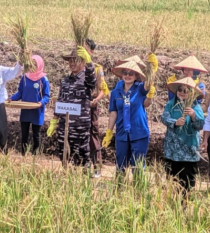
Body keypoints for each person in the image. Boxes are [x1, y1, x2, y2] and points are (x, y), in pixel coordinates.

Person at [102, 60, 156, 176]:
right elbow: (113, 113)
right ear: (121, 75)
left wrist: (152, 68)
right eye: (125, 73)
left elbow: (149, 83)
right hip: (122, 133)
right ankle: (120, 189)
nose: (127, 76)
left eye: (131, 73)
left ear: (136, 76)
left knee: (138, 167)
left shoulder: (140, 88)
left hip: (139, 132)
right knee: (120, 165)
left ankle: (138, 191)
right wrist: (109, 132)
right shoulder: (116, 92)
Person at [47, 46, 96, 168]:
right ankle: (67, 180)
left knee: (82, 157)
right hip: (64, 125)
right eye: (70, 61)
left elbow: (93, 80)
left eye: (75, 60)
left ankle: (84, 181)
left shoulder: (86, 80)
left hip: (80, 126)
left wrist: (89, 62)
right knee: (64, 154)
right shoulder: (65, 81)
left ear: (82, 62)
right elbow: (60, 101)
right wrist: (54, 120)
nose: (72, 63)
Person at [162, 77, 205, 195]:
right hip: (172, 150)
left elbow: (200, 125)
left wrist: (193, 116)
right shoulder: (171, 104)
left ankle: (186, 204)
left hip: (188, 152)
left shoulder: (195, 107)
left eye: (186, 91)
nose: (182, 92)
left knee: (187, 181)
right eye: (180, 90)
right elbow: (164, 118)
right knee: (172, 179)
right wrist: (175, 123)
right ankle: (171, 203)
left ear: (191, 93)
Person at [9, 55, 50, 155]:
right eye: (31, 64)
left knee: (36, 134)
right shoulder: (24, 77)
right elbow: (20, 93)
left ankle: (35, 155)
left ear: (39, 65)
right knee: (24, 134)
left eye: (35, 64)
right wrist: (11, 99)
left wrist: (41, 102)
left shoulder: (43, 79)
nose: (33, 66)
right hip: (25, 110)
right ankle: (23, 154)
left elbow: (47, 96)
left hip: (37, 111)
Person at [86, 38, 110, 177]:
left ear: (91, 51)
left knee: (93, 133)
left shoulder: (97, 68)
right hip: (79, 105)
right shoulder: (78, 66)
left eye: (86, 49)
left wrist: (96, 99)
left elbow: (102, 88)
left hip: (91, 104)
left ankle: (97, 165)